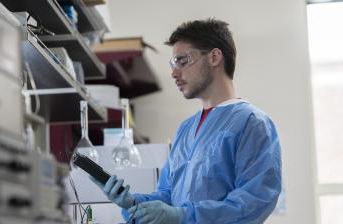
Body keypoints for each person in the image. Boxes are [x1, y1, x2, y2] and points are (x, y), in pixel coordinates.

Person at [90, 18, 282, 224]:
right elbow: (168, 196)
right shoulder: (186, 129)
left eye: (182, 61)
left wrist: (183, 216)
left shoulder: (252, 122)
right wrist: (132, 203)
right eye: (173, 64)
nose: (174, 73)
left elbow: (254, 202)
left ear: (215, 57)